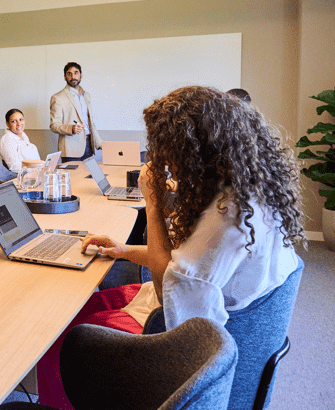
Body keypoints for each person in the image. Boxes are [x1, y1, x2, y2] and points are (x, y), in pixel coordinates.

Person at [36, 86, 304, 408]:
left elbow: (170, 295)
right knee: (75, 310)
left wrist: (153, 204)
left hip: (183, 342)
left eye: (169, 150)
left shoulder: (226, 218)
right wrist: (124, 250)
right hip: (219, 323)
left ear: (195, 148)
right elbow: (184, 266)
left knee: (58, 335)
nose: (165, 161)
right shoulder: (245, 193)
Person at [50, 62, 102, 162]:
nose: (73, 77)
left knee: (93, 172)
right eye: (69, 74)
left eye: (76, 73)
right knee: (73, 174)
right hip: (70, 151)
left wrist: (99, 143)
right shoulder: (57, 98)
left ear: (81, 75)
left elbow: (90, 123)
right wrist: (71, 128)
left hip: (89, 147)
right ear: (65, 77)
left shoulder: (86, 96)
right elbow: (54, 125)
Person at [0, 108, 41, 172]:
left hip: (35, 174)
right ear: (7, 124)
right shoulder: (7, 139)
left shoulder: (25, 139)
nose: (19, 123)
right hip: (21, 176)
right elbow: (14, 167)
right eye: (14, 121)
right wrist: (34, 170)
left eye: (21, 120)